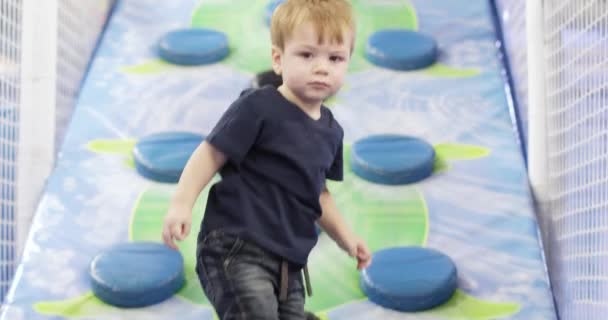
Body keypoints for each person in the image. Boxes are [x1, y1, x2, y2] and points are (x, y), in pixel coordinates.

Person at [162, 0, 371, 318]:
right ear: (278, 58)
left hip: (290, 264)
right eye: (306, 54)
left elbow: (318, 194)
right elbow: (211, 152)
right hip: (238, 245)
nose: (322, 67)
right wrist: (181, 203)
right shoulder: (259, 106)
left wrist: (346, 237)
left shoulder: (331, 132)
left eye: (335, 58)